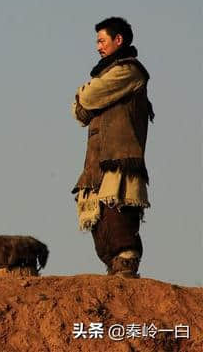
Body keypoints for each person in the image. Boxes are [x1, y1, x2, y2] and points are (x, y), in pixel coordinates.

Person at [71, 17, 154, 278]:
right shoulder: (107, 74)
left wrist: (85, 94)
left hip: (119, 159)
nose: (98, 47)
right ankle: (116, 275)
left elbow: (86, 99)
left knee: (118, 214)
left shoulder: (129, 71)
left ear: (118, 40)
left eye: (102, 40)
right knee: (101, 222)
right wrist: (86, 97)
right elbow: (80, 113)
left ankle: (126, 271)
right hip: (97, 164)